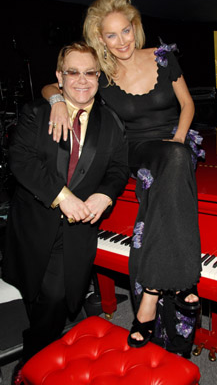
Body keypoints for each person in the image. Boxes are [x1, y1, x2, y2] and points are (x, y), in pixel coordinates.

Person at [42, 0, 203, 356]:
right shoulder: (104, 75)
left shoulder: (163, 57)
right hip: (136, 152)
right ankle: (178, 285)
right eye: (111, 35)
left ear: (136, 27)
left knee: (175, 162)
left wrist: (178, 140)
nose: (122, 41)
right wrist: (55, 102)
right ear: (100, 39)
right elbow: (58, 83)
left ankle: (152, 293)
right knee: (173, 162)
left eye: (126, 30)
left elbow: (188, 104)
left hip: (174, 144)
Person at [3, 41, 129, 384]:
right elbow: (21, 161)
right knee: (33, 292)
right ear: (59, 76)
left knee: (57, 296)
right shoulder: (37, 112)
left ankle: (33, 362)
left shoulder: (112, 123)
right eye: (73, 72)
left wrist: (106, 193)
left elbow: (119, 167)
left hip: (75, 233)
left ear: (99, 76)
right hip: (32, 225)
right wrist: (62, 196)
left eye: (90, 72)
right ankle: (44, 345)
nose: (82, 80)